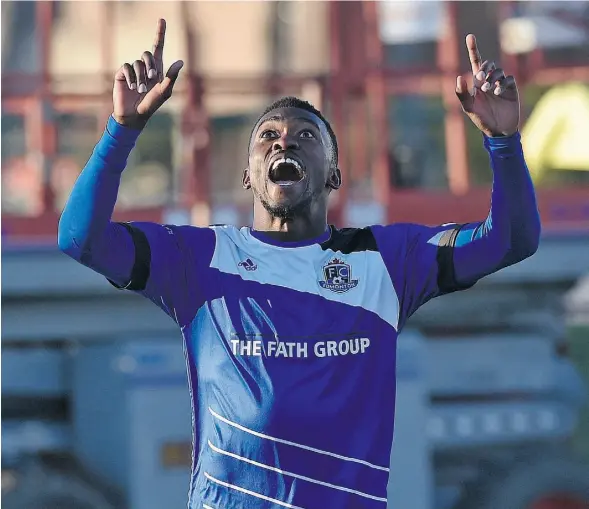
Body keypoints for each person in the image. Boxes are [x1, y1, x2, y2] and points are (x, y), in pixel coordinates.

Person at [58, 19, 540, 509]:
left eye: (305, 135)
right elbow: (81, 239)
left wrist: (503, 142)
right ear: (248, 176)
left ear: (334, 173)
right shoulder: (198, 260)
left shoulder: (388, 261)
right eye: (267, 135)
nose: (283, 142)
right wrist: (121, 130)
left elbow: (511, 240)